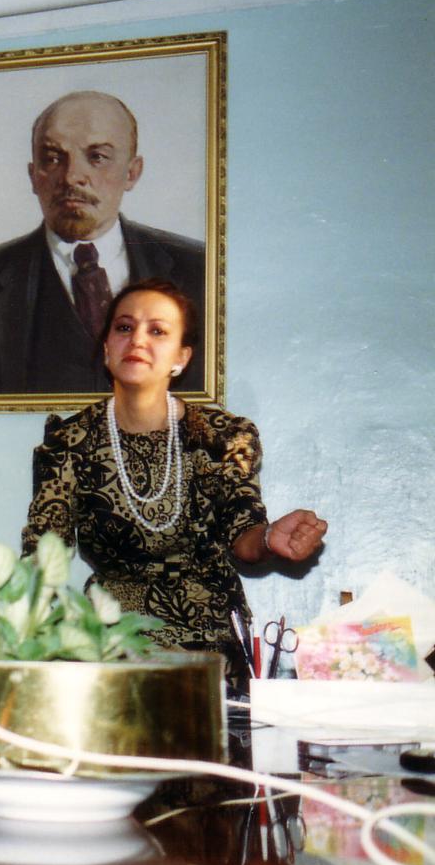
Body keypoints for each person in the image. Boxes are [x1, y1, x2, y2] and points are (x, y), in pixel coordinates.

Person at [21, 279, 327, 685]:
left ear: (181, 357)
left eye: (158, 331)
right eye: (124, 327)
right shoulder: (69, 440)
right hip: (110, 644)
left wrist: (270, 537)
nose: (138, 341)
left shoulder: (224, 436)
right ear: (107, 348)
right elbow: (46, 556)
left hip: (209, 645)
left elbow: (243, 534)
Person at [0, 90, 207, 395]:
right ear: (33, 175)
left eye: (97, 157)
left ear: (132, 172)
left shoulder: (201, 270)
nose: (72, 176)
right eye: (52, 158)